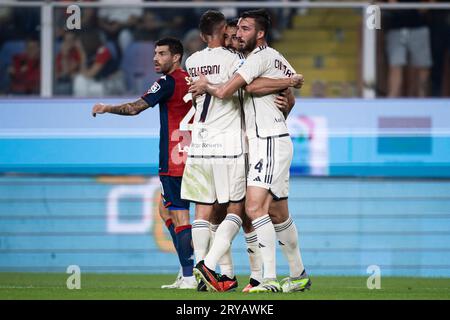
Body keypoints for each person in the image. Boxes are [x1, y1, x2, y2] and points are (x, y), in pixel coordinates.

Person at [190, 9, 310, 293]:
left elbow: (232, 90)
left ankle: (266, 280)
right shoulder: (276, 58)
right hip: (272, 139)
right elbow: (288, 99)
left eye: (244, 29)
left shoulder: (261, 58)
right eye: (236, 30)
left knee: (254, 208)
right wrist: (288, 86)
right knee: (278, 212)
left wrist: (206, 84)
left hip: (267, 141)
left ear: (260, 33)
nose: (238, 34)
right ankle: (299, 274)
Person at [91, 37, 196, 289]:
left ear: (176, 57)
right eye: (155, 53)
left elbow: (135, 108)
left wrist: (107, 107)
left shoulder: (167, 82)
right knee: (165, 210)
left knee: (180, 217)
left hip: (174, 158)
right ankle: (188, 269)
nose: (155, 58)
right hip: (197, 156)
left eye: (161, 53)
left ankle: (190, 276)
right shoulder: (194, 82)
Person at [385, 0, 433, 97]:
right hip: (396, 27)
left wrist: (425, 6)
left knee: (423, 65)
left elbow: (427, 5)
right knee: (395, 64)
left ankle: (422, 99)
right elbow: (391, 4)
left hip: (419, 27)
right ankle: (392, 99)